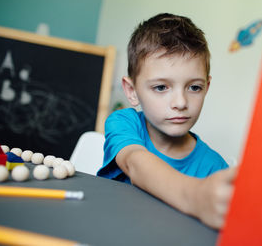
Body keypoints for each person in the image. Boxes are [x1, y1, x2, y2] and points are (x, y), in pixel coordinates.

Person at [97, 13, 236, 229]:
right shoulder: (124, 122)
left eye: (194, 87)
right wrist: (196, 197)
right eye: (161, 87)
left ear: (206, 87)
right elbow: (136, 163)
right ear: (132, 91)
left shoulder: (215, 168)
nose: (180, 102)